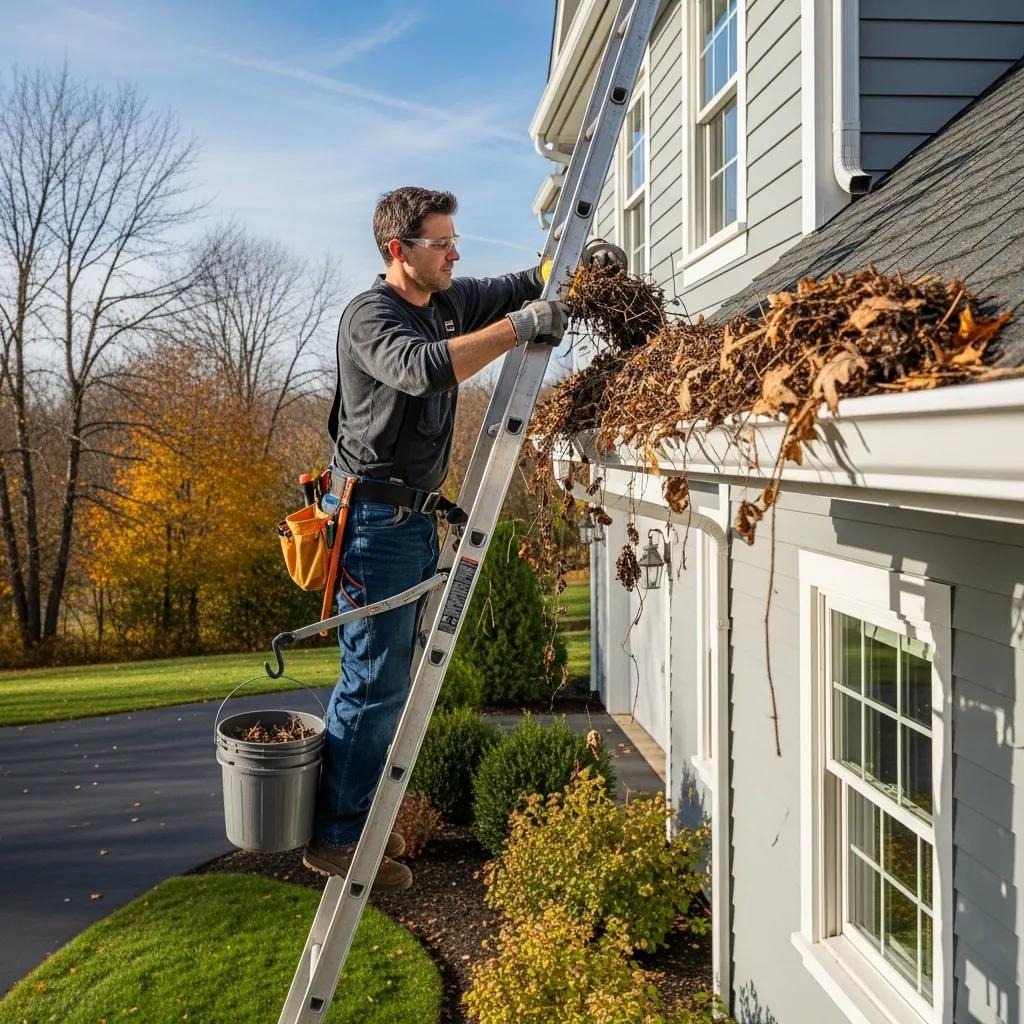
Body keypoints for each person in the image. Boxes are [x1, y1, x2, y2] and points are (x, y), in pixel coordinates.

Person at [303, 186, 568, 889]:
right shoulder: (371, 317)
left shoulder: (446, 298)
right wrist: (521, 327)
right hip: (370, 523)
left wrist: (570, 269)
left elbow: (521, 283)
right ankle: (335, 838)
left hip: (415, 519)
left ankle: (355, 823)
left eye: (454, 240)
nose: (455, 254)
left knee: (394, 678)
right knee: (373, 680)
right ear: (399, 251)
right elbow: (423, 371)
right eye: (441, 244)